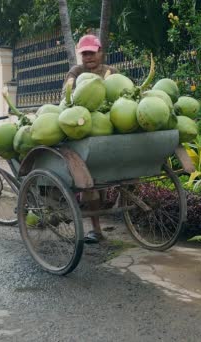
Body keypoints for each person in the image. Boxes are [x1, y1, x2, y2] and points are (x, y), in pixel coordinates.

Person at [64, 34, 117, 244]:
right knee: (88, 182)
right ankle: (96, 229)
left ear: (100, 52)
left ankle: (119, 200)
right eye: (84, 53)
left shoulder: (111, 72)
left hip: (110, 128)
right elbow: (66, 94)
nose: (88, 57)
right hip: (84, 130)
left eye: (92, 53)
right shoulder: (76, 72)